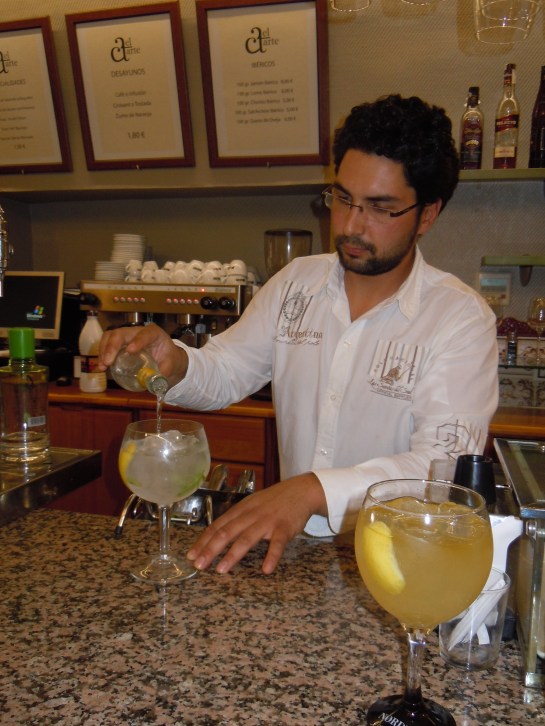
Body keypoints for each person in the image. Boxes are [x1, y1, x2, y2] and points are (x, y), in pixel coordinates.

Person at [99, 94, 499, 576]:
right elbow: (227, 369)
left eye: (379, 208)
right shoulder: (296, 284)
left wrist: (312, 490)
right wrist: (177, 361)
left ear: (427, 214)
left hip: (400, 561)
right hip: (294, 557)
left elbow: (443, 465)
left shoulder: (459, 319)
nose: (351, 225)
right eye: (343, 198)